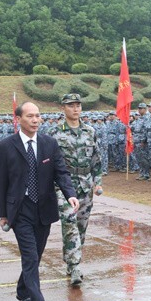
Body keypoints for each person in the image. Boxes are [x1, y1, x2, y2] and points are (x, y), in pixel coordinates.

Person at [0, 102, 79, 301]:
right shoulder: (5, 146)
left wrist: (70, 193)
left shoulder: (49, 144)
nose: (35, 120)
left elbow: (61, 172)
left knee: (36, 255)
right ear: (19, 119)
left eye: (38, 116)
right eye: (30, 116)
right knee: (30, 257)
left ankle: (23, 290)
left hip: (43, 208)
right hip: (19, 209)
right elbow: (1, 182)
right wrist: (2, 213)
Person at [47, 94, 103, 286]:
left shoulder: (90, 131)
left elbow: (97, 158)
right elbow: (47, 161)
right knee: (69, 221)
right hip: (64, 185)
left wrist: (98, 181)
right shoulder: (53, 132)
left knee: (81, 226)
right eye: (71, 106)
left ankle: (71, 261)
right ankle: (75, 265)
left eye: (78, 105)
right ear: (64, 108)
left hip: (85, 184)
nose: (75, 109)